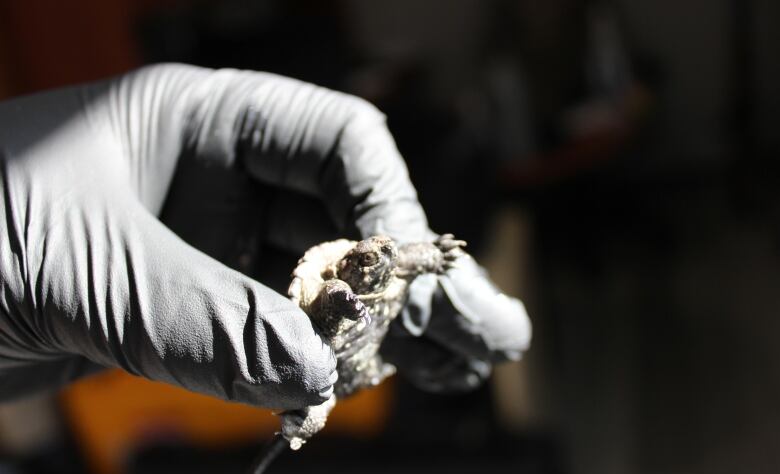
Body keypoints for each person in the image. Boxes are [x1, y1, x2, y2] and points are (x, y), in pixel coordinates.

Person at [0, 64, 531, 411]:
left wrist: (429, 253)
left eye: (375, 258)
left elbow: (400, 259)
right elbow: (331, 300)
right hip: (325, 344)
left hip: (367, 359)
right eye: (369, 258)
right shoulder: (340, 278)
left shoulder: (381, 263)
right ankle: (306, 416)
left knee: (394, 306)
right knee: (308, 376)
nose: (373, 259)